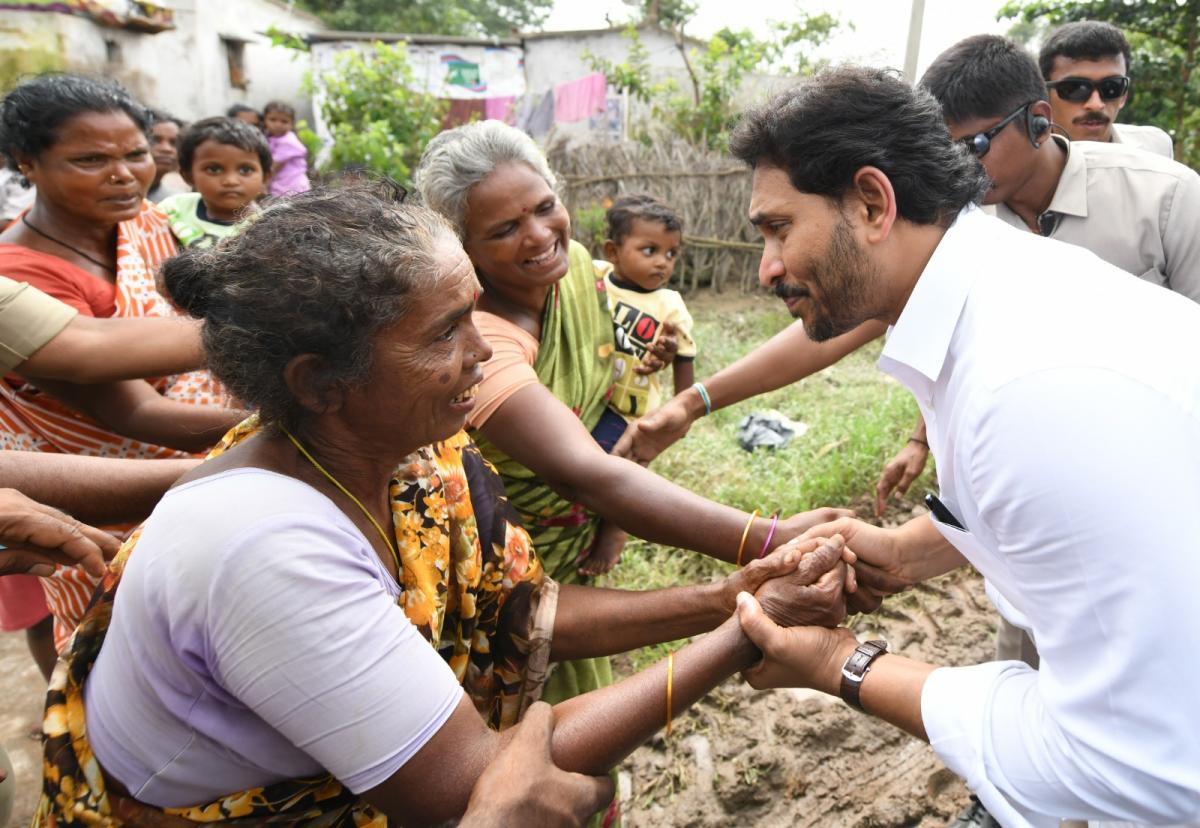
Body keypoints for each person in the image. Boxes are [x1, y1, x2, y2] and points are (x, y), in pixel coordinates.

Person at [33, 183, 853, 827]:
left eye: (477, 318)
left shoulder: (414, 456)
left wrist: (730, 596)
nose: (481, 353)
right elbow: (476, 788)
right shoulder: (266, 551)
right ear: (320, 380)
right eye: (446, 332)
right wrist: (748, 632)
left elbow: (520, 612)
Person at [723, 66, 1200, 826]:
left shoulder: (1026, 389)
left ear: (874, 203)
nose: (766, 268)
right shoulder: (1002, 298)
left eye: (779, 229)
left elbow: (1137, 766)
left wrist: (841, 665)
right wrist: (910, 550)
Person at [415, 120, 851, 709]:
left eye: (546, 207)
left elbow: (604, 396)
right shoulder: (481, 347)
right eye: (504, 229)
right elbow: (584, 473)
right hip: (513, 572)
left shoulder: (571, 269)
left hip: (580, 545)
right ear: (463, 247)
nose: (539, 234)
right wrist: (769, 538)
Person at [874, 33, 1200, 515]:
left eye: (974, 145)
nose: (957, 168)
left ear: (1039, 123)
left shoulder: (1166, 197)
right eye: (946, 152)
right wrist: (919, 441)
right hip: (1054, 475)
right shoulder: (967, 220)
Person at [0, 73, 242, 650]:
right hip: (104, 510)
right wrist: (297, 425)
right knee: (126, 653)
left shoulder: (147, 225)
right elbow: (137, 412)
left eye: (136, 154)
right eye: (89, 159)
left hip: (201, 471)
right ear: (25, 163)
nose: (124, 174)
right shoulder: (23, 274)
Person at [1038, 20, 1173, 156]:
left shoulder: (1156, 148)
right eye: (1075, 89)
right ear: (1044, 94)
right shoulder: (1022, 164)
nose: (1096, 104)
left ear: (1124, 95)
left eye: (1111, 87)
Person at [161, 117, 270, 249]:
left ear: (265, 177)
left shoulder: (268, 228)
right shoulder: (172, 210)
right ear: (188, 176)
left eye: (245, 170)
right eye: (214, 169)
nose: (231, 181)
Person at [263, 100, 311, 196]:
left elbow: (274, 167)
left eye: (284, 121)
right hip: (282, 184)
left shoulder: (288, 141)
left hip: (293, 185)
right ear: (264, 120)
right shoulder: (271, 138)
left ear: (292, 124)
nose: (278, 125)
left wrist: (263, 185)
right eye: (273, 120)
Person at [146, 109, 190, 202]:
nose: (166, 149)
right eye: (155, 140)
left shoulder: (178, 202)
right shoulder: (114, 194)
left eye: (174, 142)